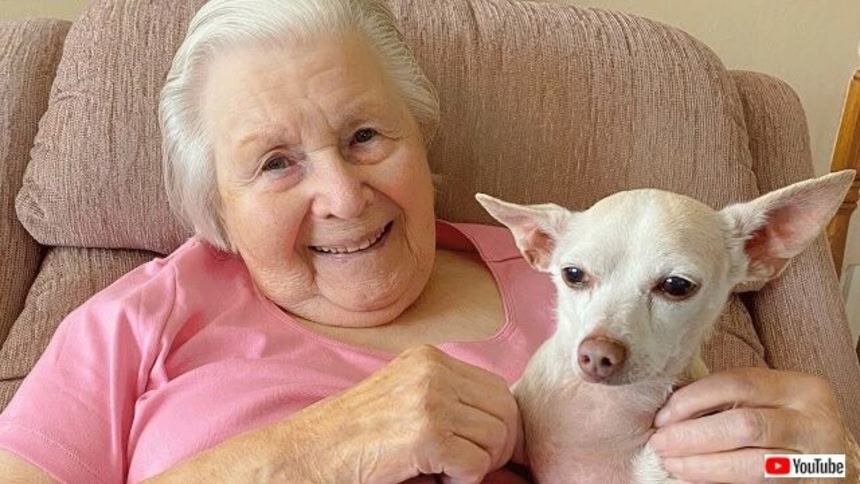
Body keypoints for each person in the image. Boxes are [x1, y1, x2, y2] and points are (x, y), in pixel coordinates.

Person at [0, 0, 851, 482]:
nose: (343, 196)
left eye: (366, 136)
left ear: (422, 139)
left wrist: (828, 470)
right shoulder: (135, 320)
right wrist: (309, 453)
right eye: (275, 163)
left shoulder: (584, 272)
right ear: (216, 205)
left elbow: (759, 465)